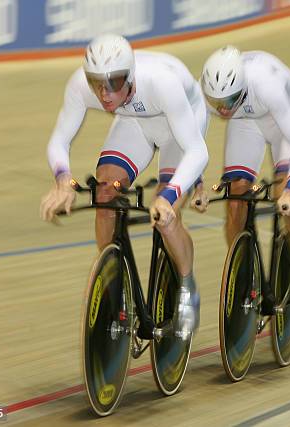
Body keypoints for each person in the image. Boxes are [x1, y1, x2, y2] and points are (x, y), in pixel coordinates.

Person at [39, 34, 209, 338]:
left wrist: (169, 196)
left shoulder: (161, 82)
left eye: (113, 83)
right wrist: (63, 179)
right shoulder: (82, 84)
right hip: (134, 120)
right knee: (105, 193)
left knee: (166, 215)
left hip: (180, 124)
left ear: (130, 77)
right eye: (96, 83)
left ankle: (186, 287)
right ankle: (112, 283)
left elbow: (198, 151)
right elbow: (59, 139)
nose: (104, 94)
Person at [199, 46, 290, 305]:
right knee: (235, 197)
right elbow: (191, 142)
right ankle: (241, 271)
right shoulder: (208, 94)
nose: (222, 110)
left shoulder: (266, 85)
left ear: (242, 87)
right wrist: (197, 185)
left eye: (228, 101)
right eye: (217, 104)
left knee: (281, 192)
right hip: (246, 120)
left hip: (282, 117)